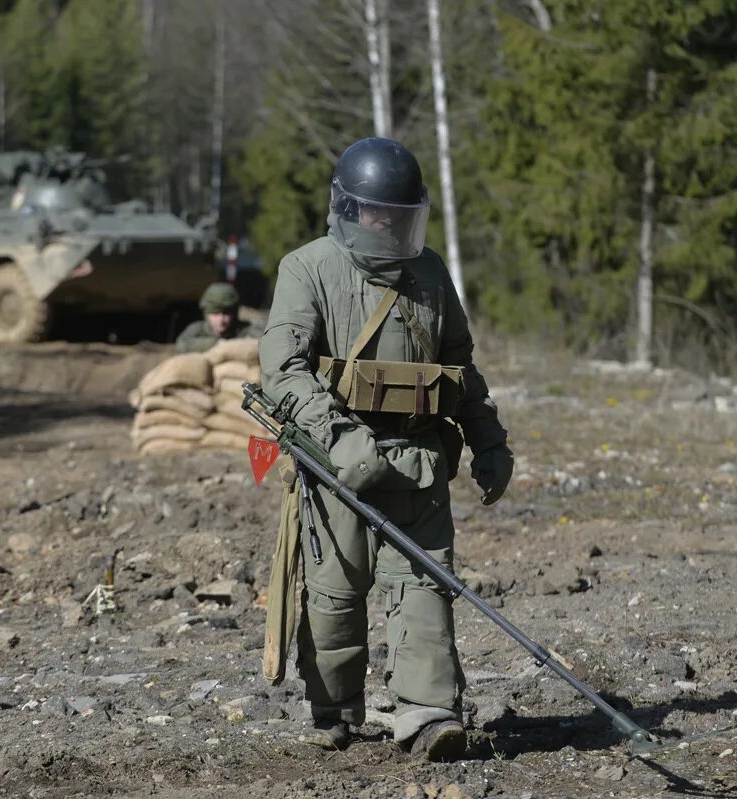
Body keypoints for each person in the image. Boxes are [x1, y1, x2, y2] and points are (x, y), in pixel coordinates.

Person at [259, 137, 513, 760]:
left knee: (424, 587)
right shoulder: (307, 268)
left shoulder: (430, 273)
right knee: (335, 596)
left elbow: (459, 365)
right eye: (377, 214)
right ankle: (334, 710)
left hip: (419, 464)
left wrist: (489, 441)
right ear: (348, 209)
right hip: (337, 469)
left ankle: (428, 714)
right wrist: (343, 443)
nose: (388, 227)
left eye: (400, 217)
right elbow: (284, 369)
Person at [174, 282, 261, 353]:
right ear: (206, 314)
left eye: (227, 314)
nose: (221, 320)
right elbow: (181, 344)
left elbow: (265, 338)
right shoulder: (198, 329)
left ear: (234, 314)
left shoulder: (244, 329)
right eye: (215, 314)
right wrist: (216, 343)